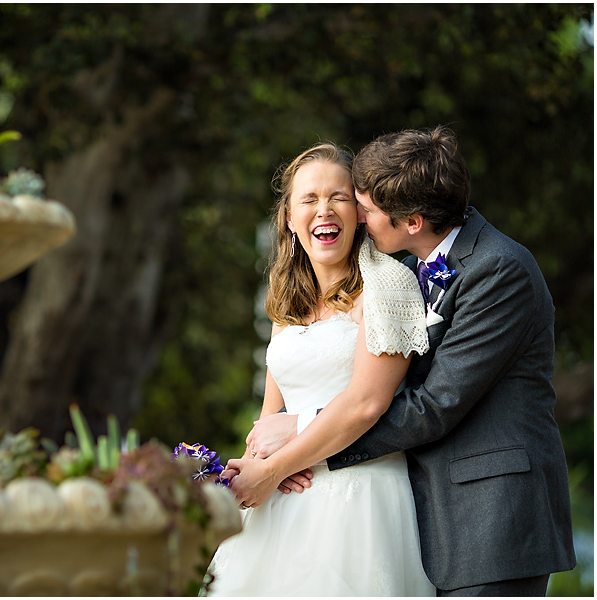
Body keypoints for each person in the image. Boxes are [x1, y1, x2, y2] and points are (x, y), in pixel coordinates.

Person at [247, 126, 576, 596]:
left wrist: (300, 435)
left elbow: (434, 404)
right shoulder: (416, 269)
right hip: (430, 513)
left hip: (492, 515)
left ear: (413, 221)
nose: (357, 216)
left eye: (366, 207)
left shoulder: (499, 269)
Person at [204, 142, 436, 596]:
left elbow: (367, 404)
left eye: (339, 197)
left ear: (360, 213)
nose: (323, 210)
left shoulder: (389, 285)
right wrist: (250, 472)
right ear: (290, 218)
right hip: (282, 499)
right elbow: (269, 417)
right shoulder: (284, 301)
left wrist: (276, 467)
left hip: (357, 499)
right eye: (309, 199)